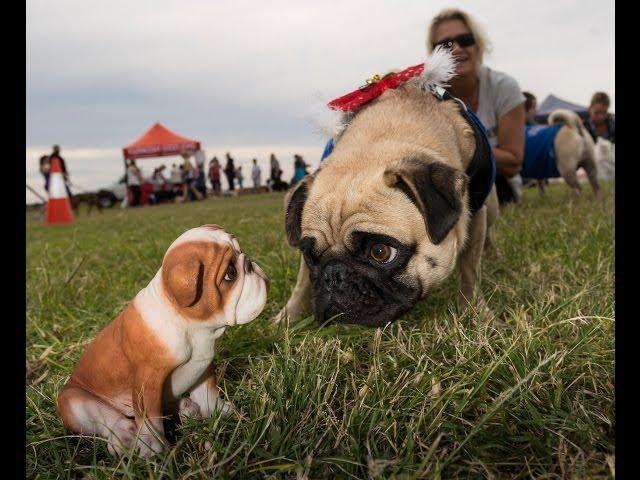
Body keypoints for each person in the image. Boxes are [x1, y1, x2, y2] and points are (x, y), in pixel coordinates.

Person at [428, 8, 525, 204]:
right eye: (445, 45)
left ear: (479, 45)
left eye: (465, 40)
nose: (456, 49)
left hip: (498, 185)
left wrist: (458, 144)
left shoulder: (504, 87)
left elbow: (513, 163)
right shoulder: (428, 96)